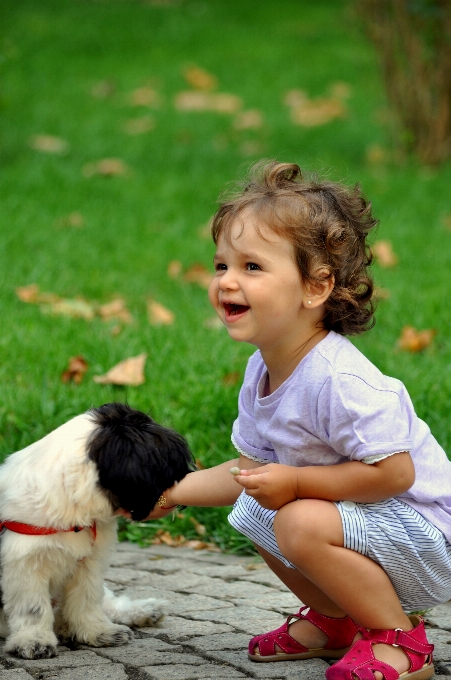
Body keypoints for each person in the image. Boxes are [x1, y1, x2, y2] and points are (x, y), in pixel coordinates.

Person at [143, 161, 451, 680]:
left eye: (252, 268)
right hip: (367, 526)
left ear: (316, 287)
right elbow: (248, 470)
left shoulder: (341, 380)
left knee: (296, 517)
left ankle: (400, 639)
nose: (227, 282)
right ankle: (338, 623)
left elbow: (396, 475)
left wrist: (296, 482)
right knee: (252, 507)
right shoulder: (263, 367)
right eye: (221, 267)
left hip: (428, 537)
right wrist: (170, 492)